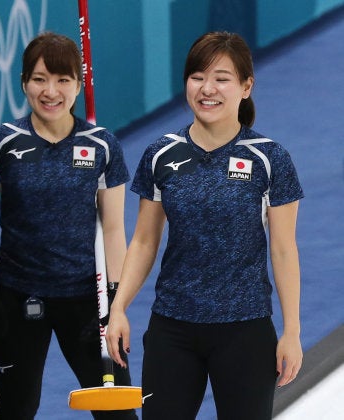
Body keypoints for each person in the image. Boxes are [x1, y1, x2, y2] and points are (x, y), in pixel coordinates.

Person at [106, 31, 303, 419]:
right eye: (197, 76)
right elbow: (144, 240)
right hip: (173, 330)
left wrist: (292, 331)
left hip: (245, 330)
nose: (207, 88)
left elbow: (283, 249)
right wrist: (119, 308)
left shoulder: (270, 159)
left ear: (246, 87)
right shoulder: (161, 154)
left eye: (222, 78)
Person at [0, 32, 137, 420]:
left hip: (88, 300)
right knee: (16, 408)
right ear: (23, 83)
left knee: (118, 411)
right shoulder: (0, 142)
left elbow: (114, 229)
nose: (51, 91)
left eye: (63, 80)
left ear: (79, 85)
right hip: (17, 298)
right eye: (39, 79)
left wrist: (116, 302)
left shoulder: (101, 146)